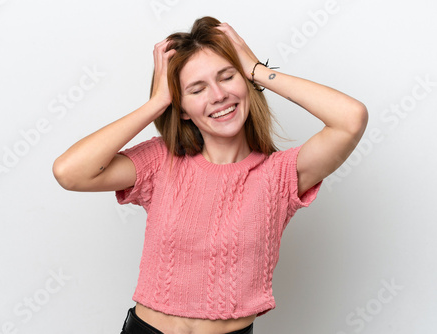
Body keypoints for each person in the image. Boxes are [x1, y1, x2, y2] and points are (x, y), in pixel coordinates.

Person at [53, 16, 368, 334]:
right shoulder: (163, 160)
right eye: (197, 89)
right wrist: (157, 103)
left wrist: (256, 70)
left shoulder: (280, 174)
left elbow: (351, 119)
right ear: (183, 108)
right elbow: (70, 172)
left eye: (227, 76)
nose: (218, 95)